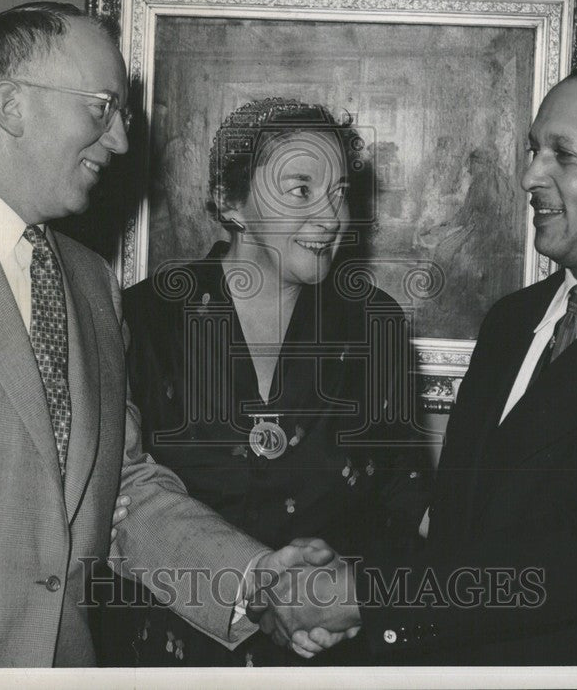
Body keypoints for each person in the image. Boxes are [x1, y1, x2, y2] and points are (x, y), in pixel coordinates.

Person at [0, 3, 329, 668]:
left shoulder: (92, 284)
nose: (120, 141)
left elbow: (118, 492)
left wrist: (257, 579)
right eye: (102, 108)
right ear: (11, 105)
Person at [265, 63, 577, 664]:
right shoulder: (513, 321)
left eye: (563, 155)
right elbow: (460, 528)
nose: (530, 175)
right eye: (533, 150)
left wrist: (366, 597)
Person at [100, 98, 431, 666]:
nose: (331, 218)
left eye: (340, 193)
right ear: (233, 203)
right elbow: (118, 501)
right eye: (301, 190)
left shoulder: (371, 323)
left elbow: (404, 499)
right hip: (171, 653)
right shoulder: (143, 318)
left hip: (331, 652)